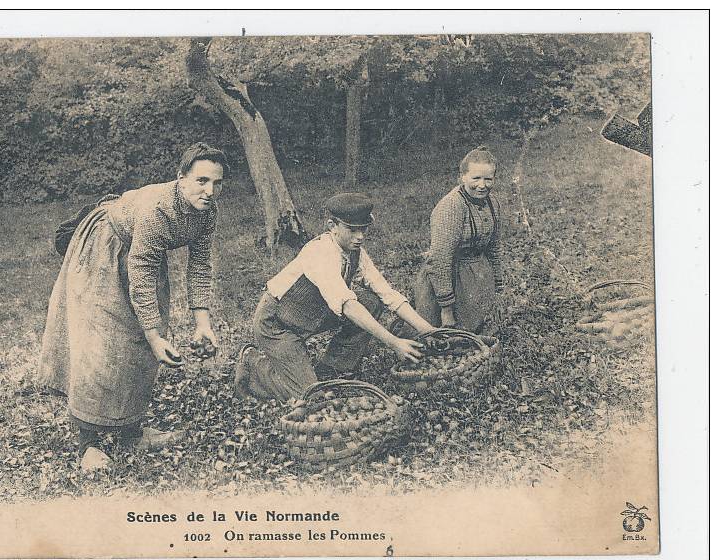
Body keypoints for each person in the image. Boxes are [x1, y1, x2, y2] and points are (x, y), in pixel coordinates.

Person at [39, 142, 226, 471]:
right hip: (103, 247)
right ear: (181, 179)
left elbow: (200, 265)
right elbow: (141, 278)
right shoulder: (157, 211)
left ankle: (130, 432)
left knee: (139, 340)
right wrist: (155, 338)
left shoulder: (207, 213)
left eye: (217, 183)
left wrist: (203, 324)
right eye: (201, 181)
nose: (210, 191)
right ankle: (89, 445)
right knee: (102, 342)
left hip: (141, 254)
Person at [233, 192, 436, 404]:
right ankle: (253, 366)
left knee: (371, 302)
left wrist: (428, 330)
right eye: (353, 230)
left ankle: (334, 369)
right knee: (311, 397)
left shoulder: (356, 252)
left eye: (363, 229)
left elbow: (388, 294)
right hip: (278, 324)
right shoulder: (320, 253)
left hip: (313, 314)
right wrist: (393, 342)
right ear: (332, 225)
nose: (360, 237)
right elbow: (347, 305)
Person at [412, 146, 505, 333]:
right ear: (463, 177)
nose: (482, 185)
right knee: (438, 334)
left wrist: (498, 283)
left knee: (475, 333)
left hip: (477, 273)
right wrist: (446, 309)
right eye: (476, 178)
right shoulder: (452, 206)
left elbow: (494, 247)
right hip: (449, 277)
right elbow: (440, 259)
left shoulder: (493, 203)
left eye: (488, 179)